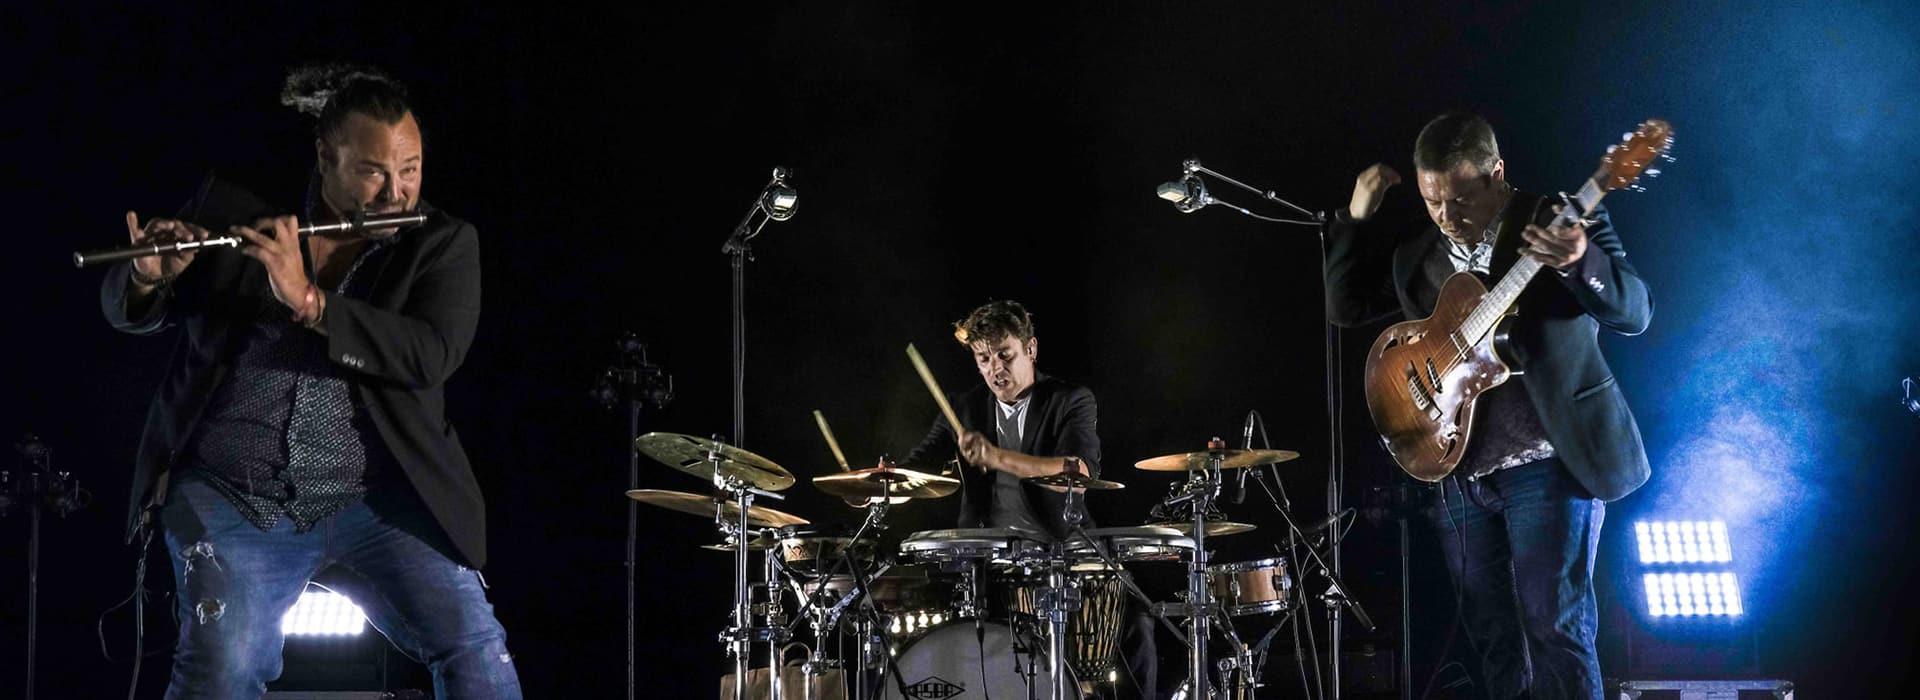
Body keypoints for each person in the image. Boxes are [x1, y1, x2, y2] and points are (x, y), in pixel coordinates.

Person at [101, 64, 522, 699]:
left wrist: (311, 302)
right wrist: (148, 277)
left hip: (377, 501)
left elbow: (429, 354)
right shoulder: (238, 210)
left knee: (479, 656)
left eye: (410, 170)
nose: (397, 193)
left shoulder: (442, 243)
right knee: (224, 664)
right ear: (326, 158)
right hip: (233, 492)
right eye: (373, 172)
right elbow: (132, 313)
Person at [1323, 112, 1653, 699]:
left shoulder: (1556, 217)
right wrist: (1356, 215)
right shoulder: (1416, 255)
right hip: (1459, 469)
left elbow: (1635, 312)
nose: (1446, 215)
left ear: (1496, 173)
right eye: (1432, 201)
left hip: (1548, 462)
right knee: (1495, 638)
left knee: (1554, 628)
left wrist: (1580, 260)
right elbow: (1346, 308)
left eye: (1459, 199)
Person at [901, 300, 1159, 698]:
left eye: (1005, 355)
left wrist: (997, 457)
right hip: (989, 564)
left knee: (1138, 621)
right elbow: (917, 468)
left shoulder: (1070, 400)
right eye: (984, 359)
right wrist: (875, 485)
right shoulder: (964, 408)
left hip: (1062, 551)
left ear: (1031, 348)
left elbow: (1078, 474)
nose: (995, 369)